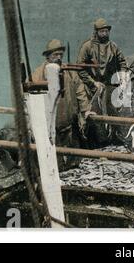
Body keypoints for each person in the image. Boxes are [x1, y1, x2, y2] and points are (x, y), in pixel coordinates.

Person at [31, 39, 82, 169]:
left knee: (74, 161)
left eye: (60, 55)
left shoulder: (70, 72)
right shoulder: (39, 73)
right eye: (55, 55)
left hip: (69, 122)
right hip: (51, 125)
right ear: (47, 56)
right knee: (55, 161)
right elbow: (29, 96)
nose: (58, 58)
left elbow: (80, 91)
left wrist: (86, 110)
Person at [76, 18, 128, 146]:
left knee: (114, 111)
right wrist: (92, 83)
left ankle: (116, 139)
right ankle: (97, 142)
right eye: (102, 31)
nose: (105, 34)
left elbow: (122, 62)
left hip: (109, 85)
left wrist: (123, 75)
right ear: (96, 32)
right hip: (92, 86)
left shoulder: (113, 46)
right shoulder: (87, 46)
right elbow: (80, 68)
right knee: (94, 114)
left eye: (106, 31)